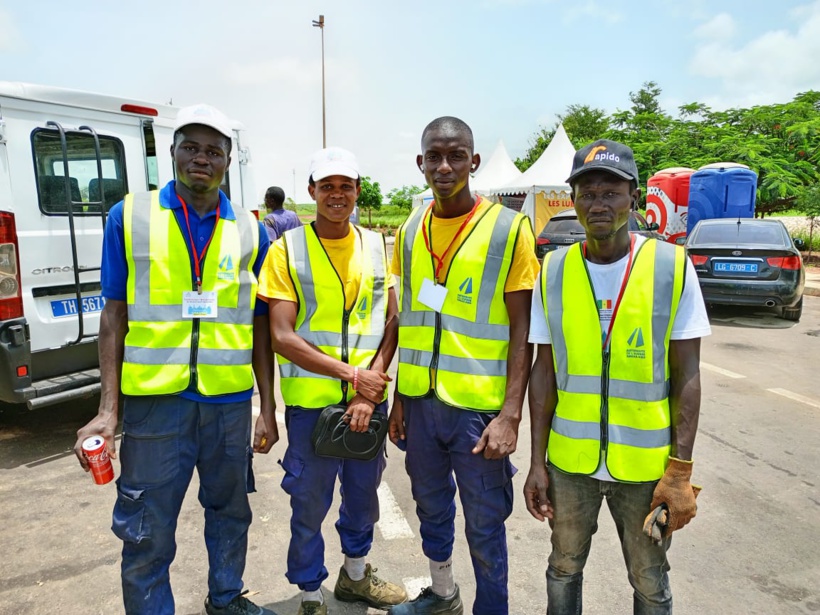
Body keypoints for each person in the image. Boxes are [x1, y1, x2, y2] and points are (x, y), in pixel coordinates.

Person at [73, 103, 278, 615]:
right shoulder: (131, 216)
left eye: (214, 151)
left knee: (231, 512)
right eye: (191, 146)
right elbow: (113, 316)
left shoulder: (253, 231)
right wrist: (108, 409)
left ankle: (226, 599)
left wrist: (267, 406)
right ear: (172, 152)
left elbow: (258, 327)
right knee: (147, 527)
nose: (201, 159)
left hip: (229, 404)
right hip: (155, 406)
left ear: (228, 161)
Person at [523, 139, 711, 614]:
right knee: (563, 567)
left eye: (610, 192)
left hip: (646, 471)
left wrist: (680, 471)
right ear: (574, 201)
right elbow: (542, 372)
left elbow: (687, 373)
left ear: (634, 197)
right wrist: (537, 462)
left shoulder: (670, 267)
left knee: (649, 579)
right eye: (587, 193)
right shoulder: (553, 271)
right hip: (571, 466)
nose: (598, 203)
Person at [388, 117, 539, 615]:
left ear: (474, 161)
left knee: (484, 522)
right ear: (420, 163)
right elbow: (408, 317)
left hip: (478, 412)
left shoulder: (509, 227)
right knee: (430, 510)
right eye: (434, 156)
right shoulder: (410, 230)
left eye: (456, 156)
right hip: (421, 405)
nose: (445, 166)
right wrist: (398, 398)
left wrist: (511, 414)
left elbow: (524, 330)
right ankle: (442, 593)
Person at [258, 146, 408, 615]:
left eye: (346, 186)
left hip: (368, 403)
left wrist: (371, 387)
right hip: (312, 408)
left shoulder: (376, 246)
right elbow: (281, 335)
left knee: (363, 498)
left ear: (358, 191)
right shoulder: (287, 250)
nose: (337, 195)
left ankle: (356, 577)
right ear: (311, 192)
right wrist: (354, 377)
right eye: (327, 187)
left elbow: (391, 323)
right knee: (308, 505)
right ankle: (308, 594)